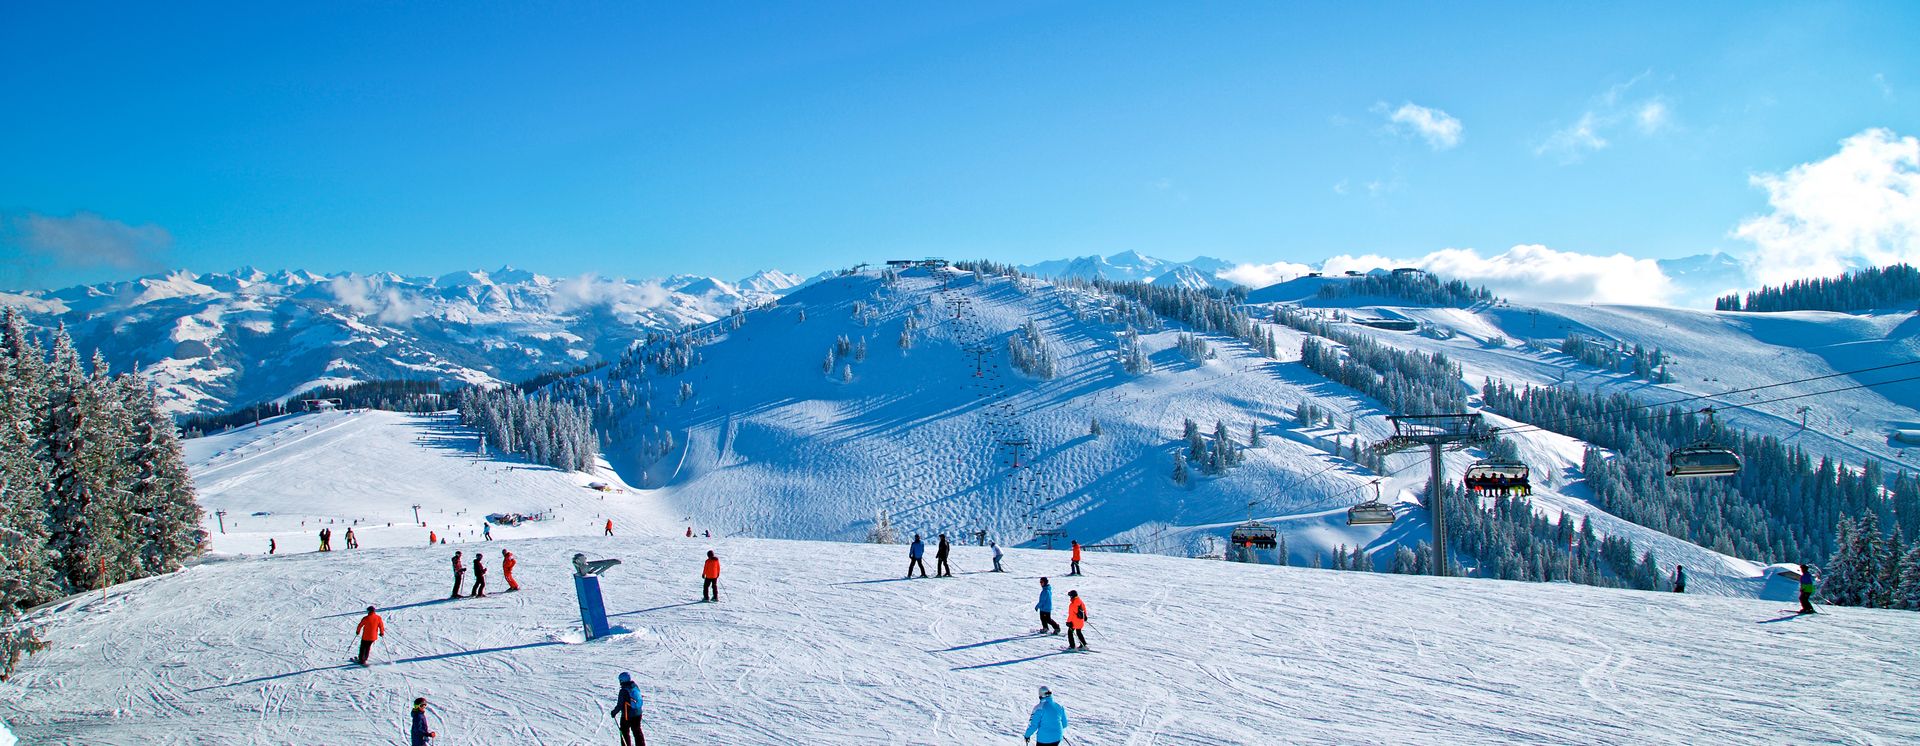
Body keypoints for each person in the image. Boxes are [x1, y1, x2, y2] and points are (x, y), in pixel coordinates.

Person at [610, 672, 646, 746]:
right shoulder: (635, 686)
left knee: (624, 732)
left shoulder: (623, 690)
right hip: (638, 713)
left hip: (627, 715)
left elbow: (620, 704)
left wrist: (614, 712)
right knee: (637, 731)